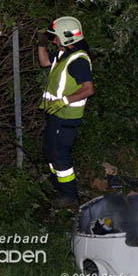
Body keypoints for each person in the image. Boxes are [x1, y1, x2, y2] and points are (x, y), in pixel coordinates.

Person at [38, 16, 94, 209]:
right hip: (56, 115)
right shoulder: (64, 55)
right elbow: (45, 62)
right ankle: (58, 186)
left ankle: (69, 195)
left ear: (67, 38)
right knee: (50, 151)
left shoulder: (78, 61)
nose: (54, 40)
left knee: (60, 155)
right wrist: (41, 44)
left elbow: (88, 89)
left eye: (56, 38)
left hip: (67, 117)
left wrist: (65, 101)